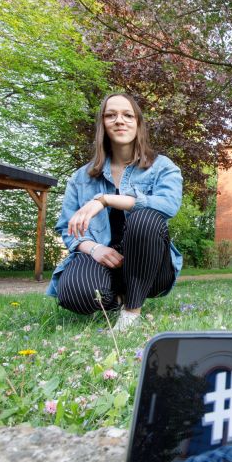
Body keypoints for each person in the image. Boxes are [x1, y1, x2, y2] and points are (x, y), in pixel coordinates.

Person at [46, 93, 183, 330]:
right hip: (103, 259)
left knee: (146, 217)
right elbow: (67, 227)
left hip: (151, 265)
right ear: (103, 124)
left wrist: (105, 199)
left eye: (128, 115)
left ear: (138, 124)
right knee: (74, 294)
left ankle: (131, 310)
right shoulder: (81, 177)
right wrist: (94, 248)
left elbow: (168, 205)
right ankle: (117, 298)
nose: (120, 120)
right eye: (111, 115)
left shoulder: (162, 167)